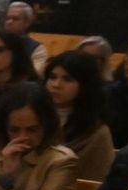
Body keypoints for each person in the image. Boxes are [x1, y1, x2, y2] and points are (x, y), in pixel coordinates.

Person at [45, 50, 116, 180]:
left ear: (84, 85)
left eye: (67, 79)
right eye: (52, 77)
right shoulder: (32, 119)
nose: (56, 85)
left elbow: (95, 184)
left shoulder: (97, 134)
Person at [3, 1, 48, 71]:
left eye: (15, 19)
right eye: (7, 18)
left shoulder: (37, 49)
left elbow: (35, 75)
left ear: (27, 22)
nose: (9, 22)